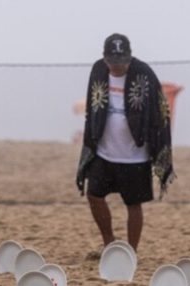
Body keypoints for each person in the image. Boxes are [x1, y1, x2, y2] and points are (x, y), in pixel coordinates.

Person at [76, 33, 174, 254]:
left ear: (129, 58)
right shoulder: (98, 71)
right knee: (94, 196)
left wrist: (157, 146)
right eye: (112, 62)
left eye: (121, 62)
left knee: (133, 204)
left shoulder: (144, 73)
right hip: (103, 151)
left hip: (135, 155)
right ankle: (109, 243)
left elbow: (159, 110)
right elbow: (92, 108)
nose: (117, 67)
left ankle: (130, 252)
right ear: (105, 59)